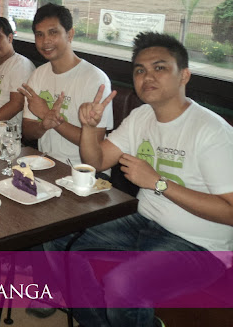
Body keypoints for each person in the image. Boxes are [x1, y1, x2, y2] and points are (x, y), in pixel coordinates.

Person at [45, 32, 233, 327]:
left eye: (160, 68)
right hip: (143, 222)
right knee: (55, 237)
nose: (148, 77)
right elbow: (96, 162)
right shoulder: (141, 116)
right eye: (140, 70)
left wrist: (159, 183)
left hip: (200, 246)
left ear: (184, 75)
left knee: (123, 285)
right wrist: (89, 128)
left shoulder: (211, 131)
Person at [20, 3, 113, 166]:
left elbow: (97, 144)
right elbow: (27, 132)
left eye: (53, 32)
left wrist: (48, 115)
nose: (45, 41)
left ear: (70, 34)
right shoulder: (38, 75)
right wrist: (43, 125)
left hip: (83, 170)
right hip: (44, 163)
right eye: (39, 34)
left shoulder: (95, 79)